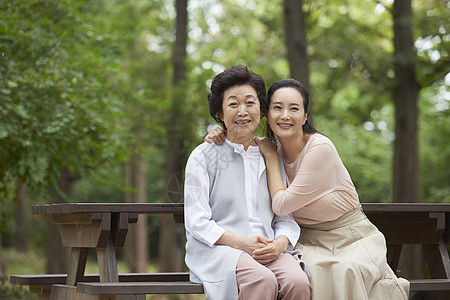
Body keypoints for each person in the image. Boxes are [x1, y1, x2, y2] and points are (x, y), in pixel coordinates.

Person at [206, 78, 410, 299]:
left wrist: (272, 158)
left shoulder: (319, 149)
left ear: (304, 116)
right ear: (267, 114)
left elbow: (281, 205)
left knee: (341, 271)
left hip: (350, 238)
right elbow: (237, 141)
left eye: (294, 109)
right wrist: (219, 133)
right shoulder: (268, 148)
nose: (285, 115)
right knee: (301, 273)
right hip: (307, 240)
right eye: (277, 108)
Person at [184, 66, 311, 300]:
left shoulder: (272, 155)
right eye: (233, 104)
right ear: (220, 114)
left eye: (250, 103)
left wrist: (279, 245)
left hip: (266, 248)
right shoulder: (203, 156)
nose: (243, 111)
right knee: (261, 279)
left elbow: (284, 218)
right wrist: (242, 243)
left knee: (298, 282)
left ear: (261, 110)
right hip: (219, 250)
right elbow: (197, 222)